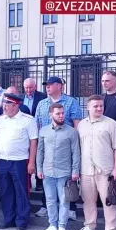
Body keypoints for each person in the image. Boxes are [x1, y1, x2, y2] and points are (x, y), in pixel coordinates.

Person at [75, 95, 116, 230]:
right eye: (95, 106)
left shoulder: (111, 124)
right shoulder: (81, 125)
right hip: (86, 170)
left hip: (105, 170)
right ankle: (89, 226)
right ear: (88, 107)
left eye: (101, 106)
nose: (99, 108)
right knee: (88, 200)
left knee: (109, 201)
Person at [34, 76, 82, 220]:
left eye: (50, 85)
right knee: (47, 176)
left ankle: (71, 208)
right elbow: (37, 124)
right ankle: (45, 206)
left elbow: (76, 123)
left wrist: (74, 140)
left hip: (65, 143)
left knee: (66, 179)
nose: (47, 87)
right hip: (47, 143)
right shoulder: (42, 104)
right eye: (46, 85)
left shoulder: (71, 102)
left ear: (60, 86)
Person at [37, 103, 80, 230]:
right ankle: (52, 225)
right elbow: (40, 151)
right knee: (50, 200)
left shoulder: (71, 131)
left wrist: (75, 171)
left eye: (62, 113)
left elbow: (76, 152)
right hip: (48, 171)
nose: (61, 116)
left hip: (64, 172)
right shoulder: (43, 130)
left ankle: (62, 226)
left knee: (64, 201)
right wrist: (39, 168)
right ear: (51, 115)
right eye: (58, 113)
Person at [0, 93, 38, 230]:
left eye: (7, 105)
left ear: (15, 105)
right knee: (6, 191)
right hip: (2, 160)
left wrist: (31, 162)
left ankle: (22, 220)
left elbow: (33, 142)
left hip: (20, 161)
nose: (4, 107)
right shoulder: (0, 120)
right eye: (4, 104)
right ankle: (9, 218)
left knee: (21, 191)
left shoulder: (28, 120)